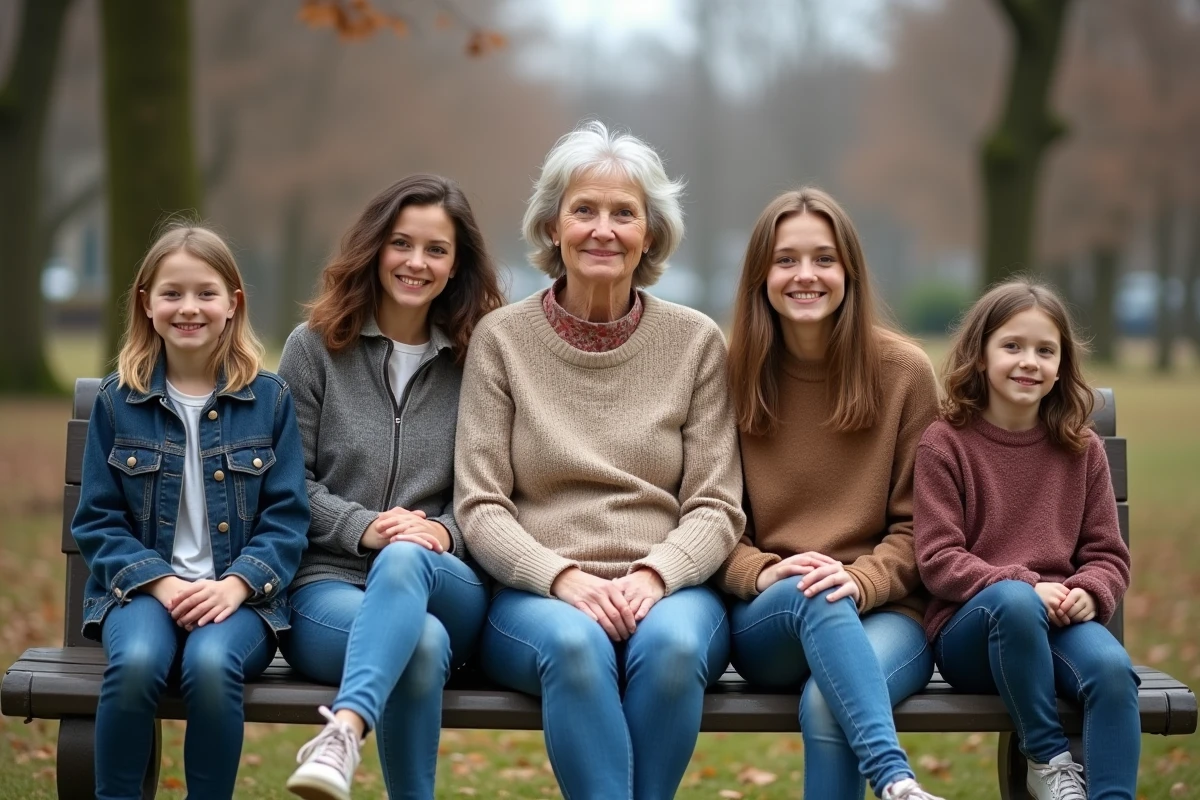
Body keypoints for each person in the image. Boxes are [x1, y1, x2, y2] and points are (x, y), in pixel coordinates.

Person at [454, 121, 744, 800]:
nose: (602, 229)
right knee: (575, 646)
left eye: (624, 213)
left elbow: (715, 503)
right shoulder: (502, 340)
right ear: (553, 226)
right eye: (584, 210)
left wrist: (653, 575)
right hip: (536, 600)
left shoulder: (695, 342)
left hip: (670, 594)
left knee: (673, 651)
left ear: (651, 233)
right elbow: (480, 502)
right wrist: (562, 580)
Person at [277, 174, 505, 800]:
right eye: (402, 243)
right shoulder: (314, 349)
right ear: (375, 248)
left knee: (411, 567)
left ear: (457, 264)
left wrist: (441, 530)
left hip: (443, 578)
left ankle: (341, 732)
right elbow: (285, 481)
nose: (416, 262)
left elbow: (495, 487)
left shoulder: (478, 357)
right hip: (326, 585)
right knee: (419, 644)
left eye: (437, 249)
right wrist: (364, 527)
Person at [717, 187, 944, 800]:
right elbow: (710, 519)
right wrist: (764, 572)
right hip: (770, 618)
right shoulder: (728, 374)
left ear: (849, 270)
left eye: (823, 258)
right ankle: (895, 777)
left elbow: (922, 526)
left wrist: (864, 579)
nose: (805, 275)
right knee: (811, 593)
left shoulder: (903, 373)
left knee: (828, 701)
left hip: (888, 613)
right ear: (762, 273)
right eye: (786, 259)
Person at [72, 224, 309, 799]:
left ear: (233, 304)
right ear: (146, 304)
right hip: (143, 595)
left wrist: (236, 586)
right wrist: (157, 582)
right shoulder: (117, 401)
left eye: (205, 292)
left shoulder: (270, 400)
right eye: (172, 292)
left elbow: (287, 518)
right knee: (137, 664)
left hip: (239, 602)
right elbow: (98, 520)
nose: (189, 307)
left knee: (208, 666)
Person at [914, 279, 1137, 800]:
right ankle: (1047, 759)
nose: (1028, 362)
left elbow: (1107, 553)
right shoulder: (946, 445)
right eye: (1012, 346)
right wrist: (1024, 584)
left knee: (1110, 670)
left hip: (1056, 624)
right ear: (981, 354)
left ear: (1061, 366)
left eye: (1045, 350)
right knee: (1014, 602)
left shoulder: (1081, 449)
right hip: (972, 632)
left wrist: (1090, 589)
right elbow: (938, 558)